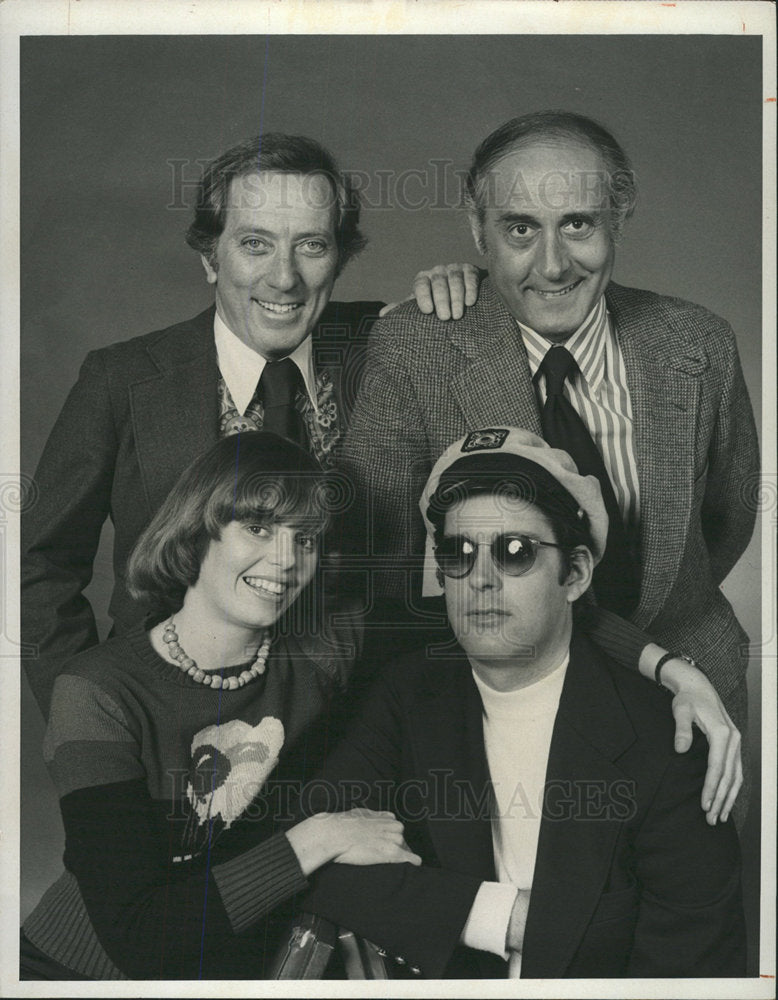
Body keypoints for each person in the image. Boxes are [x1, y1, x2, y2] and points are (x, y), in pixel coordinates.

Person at [339, 110, 759, 819]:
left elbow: (725, 520)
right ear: (478, 231)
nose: (553, 264)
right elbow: (374, 563)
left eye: (579, 224)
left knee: (688, 915)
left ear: (618, 219)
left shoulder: (697, 344)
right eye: (519, 229)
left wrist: (658, 656)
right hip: (501, 705)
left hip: (690, 689)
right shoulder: (417, 348)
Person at [20, 131, 476, 719]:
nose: (283, 278)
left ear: (340, 255)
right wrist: (87, 708)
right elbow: (36, 566)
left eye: (311, 245)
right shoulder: (122, 381)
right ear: (210, 257)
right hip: (174, 725)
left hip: (370, 728)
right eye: (255, 244)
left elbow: (504, 339)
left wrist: (472, 290)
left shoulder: (387, 345)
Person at [298, 428, 747, 978]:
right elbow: (310, 856)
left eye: (515, 552)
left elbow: (689, 969)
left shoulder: (668, 743)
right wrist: (504, 916)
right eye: (458, 554)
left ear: (575, 574)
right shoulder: (405, 695)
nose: (481, 579)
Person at [20, 431, 422, 980]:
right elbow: (142, 935)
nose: (285, 560)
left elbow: (478, 611)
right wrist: (318, 838)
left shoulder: (322, 650)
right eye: (257, 528)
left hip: (225, 972)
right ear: (197, 530)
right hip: (76, 974)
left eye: (305, 539)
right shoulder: (95, 691)